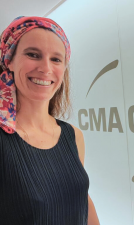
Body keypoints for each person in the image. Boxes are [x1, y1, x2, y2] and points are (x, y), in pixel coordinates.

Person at [0, 16, 100, 225]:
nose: (45, 68)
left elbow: (84, 200)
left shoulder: (73, 136)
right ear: (8, 60)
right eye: (33, 54)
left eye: (56, 59)